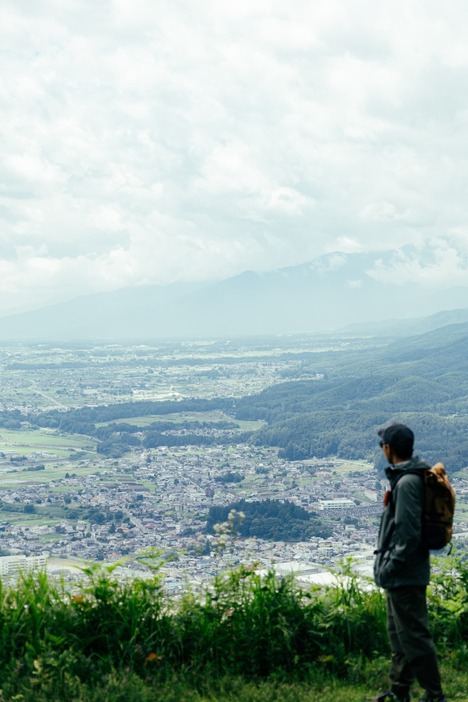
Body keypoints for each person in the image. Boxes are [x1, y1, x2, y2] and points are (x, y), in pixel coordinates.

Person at [371, 423, 446, 702]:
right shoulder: (406, 478)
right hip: (401, 574)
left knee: (414, 636)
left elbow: (408, 534)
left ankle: (434, 695)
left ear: (389, 449)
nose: (382, 450)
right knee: (399, 637)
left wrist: (390, 566)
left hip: (405, 574)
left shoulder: (407, 483)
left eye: (382, 446)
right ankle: (399, 691)